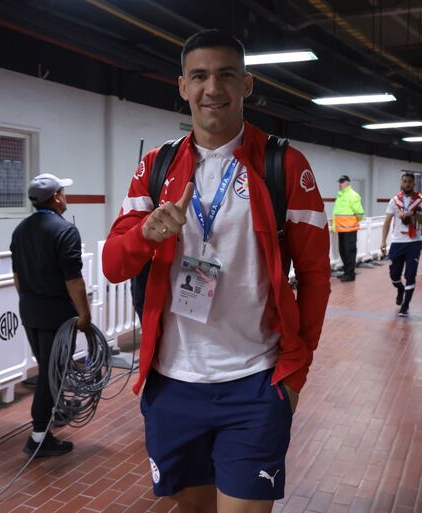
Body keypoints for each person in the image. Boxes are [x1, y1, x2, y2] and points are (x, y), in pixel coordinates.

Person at [102, 30, 331, 513]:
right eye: (200, 76)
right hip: (172, 383)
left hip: (255, 380)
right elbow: (113, 265)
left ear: (246, 84)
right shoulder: (156, 167)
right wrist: (147, 233)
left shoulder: (283, 165)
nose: (213, 88)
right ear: (182, 86)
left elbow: (314, 276)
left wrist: (295, 373)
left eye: (226, 75)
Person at [10, 173, 92, 457]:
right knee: (49, 373)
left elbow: (17, 277)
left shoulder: (21, 230)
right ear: (56, 197)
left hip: (30, 312)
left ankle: (53, 414)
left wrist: (30, 302)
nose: (65, 196)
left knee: (48, 368)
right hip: (56, 315)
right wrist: (85, 315)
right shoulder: (65, 231)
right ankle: (38, 438)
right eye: (63, 192)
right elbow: (73, 281)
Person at [380, 173, 422, 317]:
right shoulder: (394, 201)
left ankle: (405, 305)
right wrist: (383, 241)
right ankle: (400, 289)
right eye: (405, 181)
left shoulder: (421, 202)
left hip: (414, 242)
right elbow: (387, 222)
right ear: (401, 183)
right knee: (394, 275)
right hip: (397, 242)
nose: (407, 184)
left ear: (413, 184)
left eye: (410, 182)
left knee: (410, 275)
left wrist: (412, 215)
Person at [332, 175, 364, 282]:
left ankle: (350, 275)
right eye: (339, 181)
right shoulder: (340, 196)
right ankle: (346, 272)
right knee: (343, 252)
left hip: (349, 229)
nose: (340, 184)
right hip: (341, 229)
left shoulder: (353, 195)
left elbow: (359, 212)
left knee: (349, 252)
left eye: (342, 181)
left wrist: (353, 222)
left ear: (348, 183)